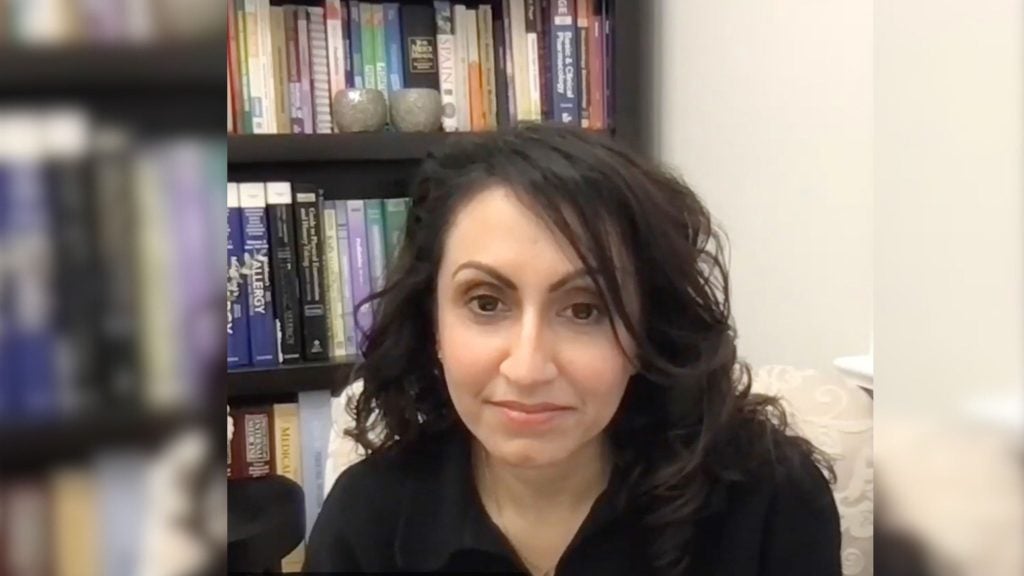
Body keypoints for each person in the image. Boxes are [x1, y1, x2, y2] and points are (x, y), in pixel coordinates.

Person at [304, 125, 841, 575]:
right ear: (433, 324)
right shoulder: (366, 520)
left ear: (644, 333)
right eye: (486, 303)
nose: (529, 367)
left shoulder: (771, 501)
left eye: (585, 310)